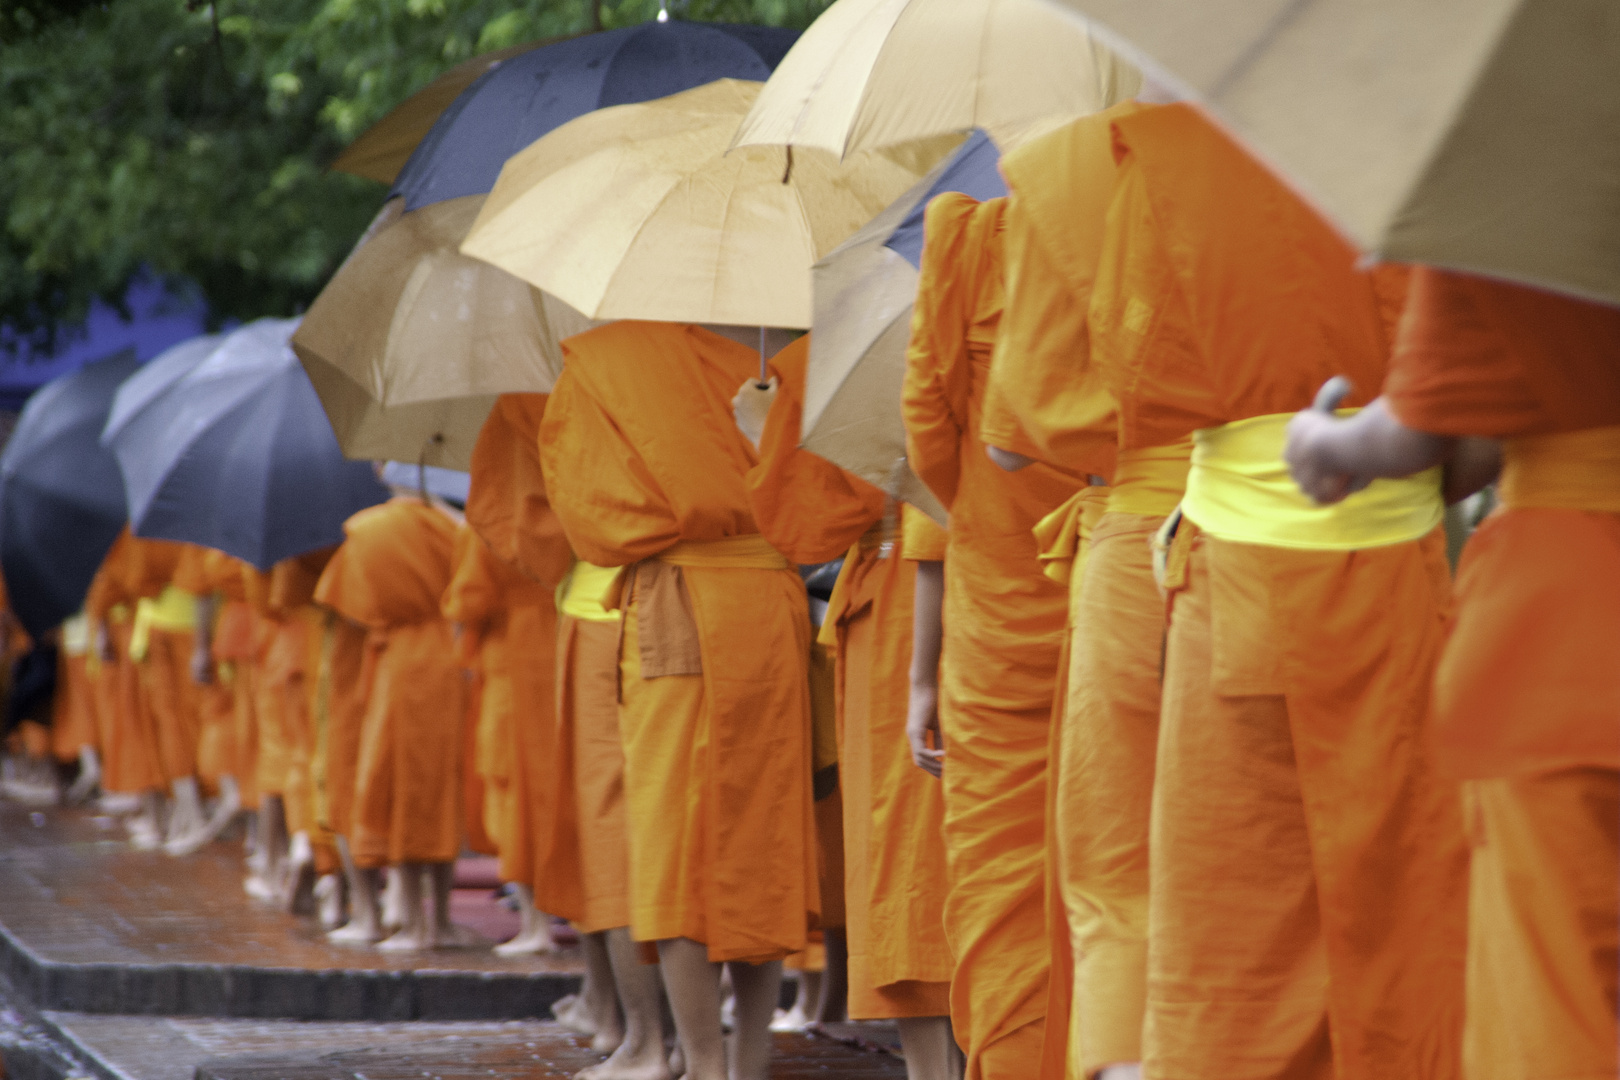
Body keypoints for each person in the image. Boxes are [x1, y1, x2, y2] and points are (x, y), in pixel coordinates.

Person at [1089, 103, 1469, 1078]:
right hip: (1396, 575)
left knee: (1234, 926)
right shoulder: (1437, 134)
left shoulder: (1171, 144)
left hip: (1238, 584)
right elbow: (1473, 432)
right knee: (1401, 919)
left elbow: (1139, 385)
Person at [1283, 266, 1620, 1080]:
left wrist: (1324, 444)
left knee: (1561, 985)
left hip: (1570, 631)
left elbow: (1425, 436)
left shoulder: (1512, 203)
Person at [540, 321, 818, 1080]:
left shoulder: (610, 359)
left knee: (674, 844)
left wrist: (686, 505)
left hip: (677, 599)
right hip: (770, 600)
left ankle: (700, 1060)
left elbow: (591, 517)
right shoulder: (792, 356)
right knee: (760, 838)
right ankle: (749, 1059)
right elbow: (840, 499)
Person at [978, 91, 1176, 1080]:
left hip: (1144, 537)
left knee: (1120, 862)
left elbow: (1012, 444)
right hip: (1327, 544)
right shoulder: (1336, 148)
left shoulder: (1070, 172)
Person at [739, 337, 959, 1079]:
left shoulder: (848, 350)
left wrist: (766, 431)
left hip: (908, 607)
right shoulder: (1037, 315)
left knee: (911, 855)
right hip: (1023, 583)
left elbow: (804, 520)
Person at [902, 193, 1081, 1079]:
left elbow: (929, 437)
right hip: (1147, 567)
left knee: (1006, 885)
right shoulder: (1175, 210)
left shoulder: (973, 238)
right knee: (1129, 873)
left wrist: (983, 506)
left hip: (1003, 590)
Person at [314, 493, 467, 951]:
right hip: (447, 655)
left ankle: (406, 923)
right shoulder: (453, 527)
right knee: (438, 789)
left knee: (399, 787)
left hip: (395, 663)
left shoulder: (369, 530)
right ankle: (438, 919)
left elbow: (344, 606)